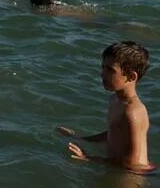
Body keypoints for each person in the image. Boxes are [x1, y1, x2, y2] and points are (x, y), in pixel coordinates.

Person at [60, 42, 153, 174]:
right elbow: (113, 133)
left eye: (110, 70)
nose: (102, 74)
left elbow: (134, 163)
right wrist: (82, 139)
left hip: (131, 177)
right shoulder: (115, 100)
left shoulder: (133, 112)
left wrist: (89, 159)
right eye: (102, 67)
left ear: (131, 76)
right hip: (118, 168)